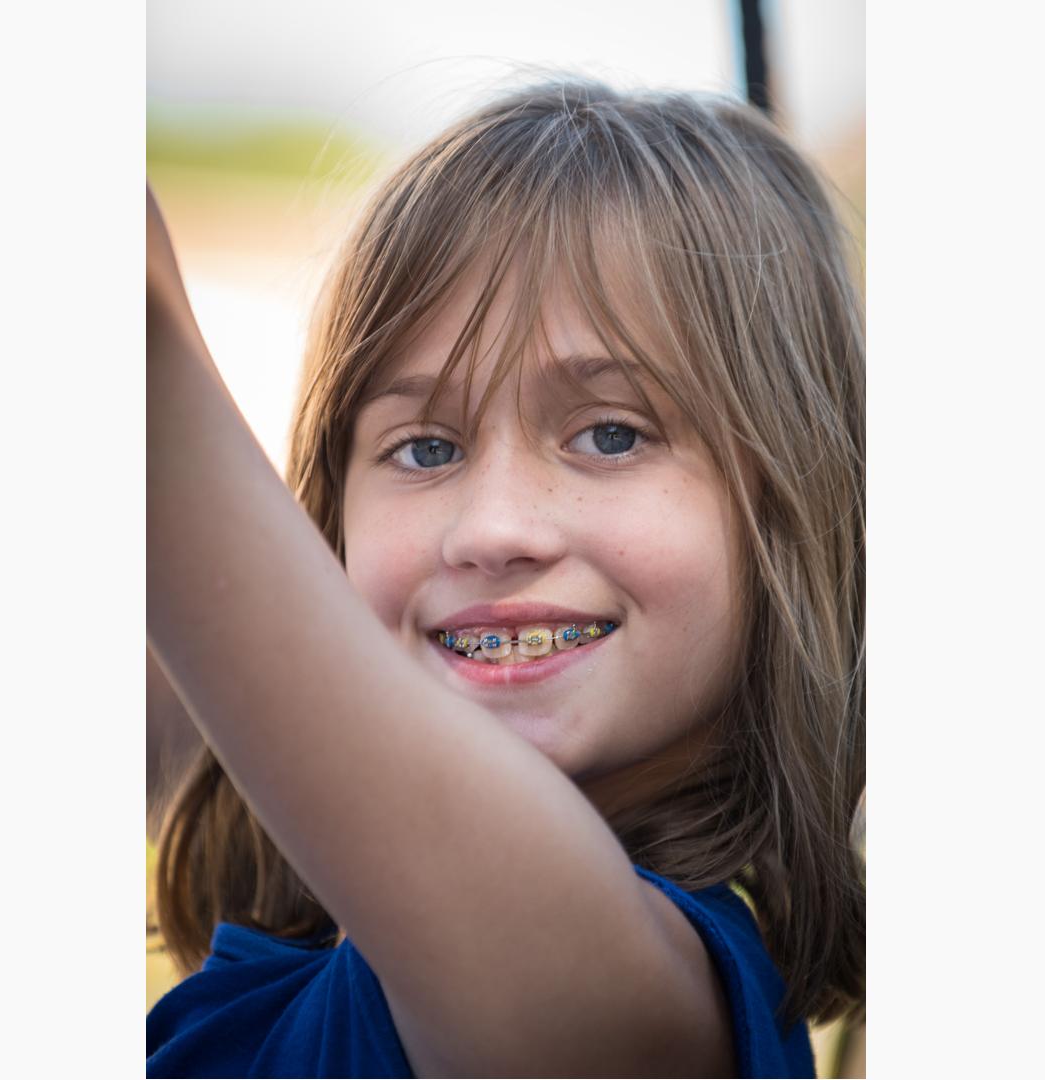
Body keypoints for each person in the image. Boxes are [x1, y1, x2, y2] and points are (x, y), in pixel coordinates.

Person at [146, 79, 864, 1078]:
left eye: (611, 434)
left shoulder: (642, 1000)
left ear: (788, 513)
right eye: (425, 447)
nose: (491, 530)